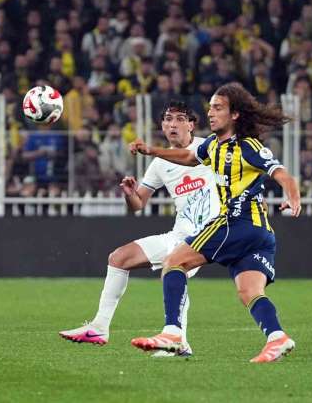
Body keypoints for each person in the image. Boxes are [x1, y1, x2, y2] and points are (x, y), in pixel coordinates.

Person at [128, 82, 301, 363]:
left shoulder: (247, 146)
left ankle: (173, 333)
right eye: (210, 108)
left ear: (235, 115)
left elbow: (282, 174)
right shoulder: (212, 145)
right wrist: (152, 150)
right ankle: (277, 337)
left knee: (174, 262)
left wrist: (293, 197)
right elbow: (188, 157)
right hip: (260, 234)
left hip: (236, 223)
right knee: (249, 292)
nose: (210, 113)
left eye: (218, 108)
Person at [59, 101, 220, 356]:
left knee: (174, 267)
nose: (173, 124)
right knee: (119, 258)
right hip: (179, 235)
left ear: (191, 125)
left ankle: (177, 339)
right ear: (162, 126)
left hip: (210, 233)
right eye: (168, 119)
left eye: (180, 119)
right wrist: (129, 193)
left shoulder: (209, 147)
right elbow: (138, 204)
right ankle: (99, 327)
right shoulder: (159, 164)